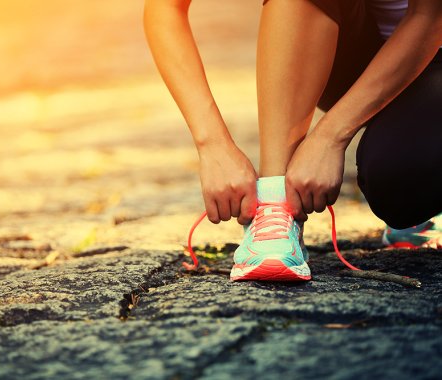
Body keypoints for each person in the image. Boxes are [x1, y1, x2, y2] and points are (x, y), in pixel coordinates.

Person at [144, 0, 442, 281]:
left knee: (399, 178)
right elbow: (165, 9)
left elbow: (429, 17)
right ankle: (275, 201)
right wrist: (213, 146)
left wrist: (329, 136)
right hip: (358, 49)